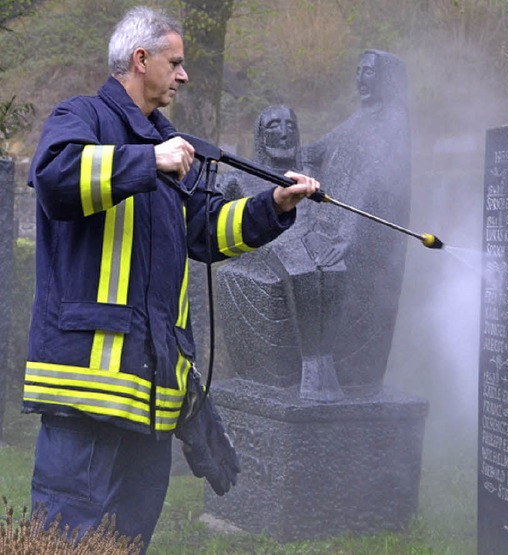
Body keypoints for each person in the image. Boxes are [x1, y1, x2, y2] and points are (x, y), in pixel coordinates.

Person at [22, 6, 319, 550]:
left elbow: (206, 233)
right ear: (141, 60)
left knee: (126, 542)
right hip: (88, 394)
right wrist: (147, 159)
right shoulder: (84, 115)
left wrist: (275, 204)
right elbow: (53, 176)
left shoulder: (165, 147)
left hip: (152, 398)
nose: (184, 75)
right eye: (175, 63)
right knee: (62, 542)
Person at [216, 105, 347, 401]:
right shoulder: (242, 178)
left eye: (290, 125)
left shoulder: (309, 175)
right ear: (261, 135)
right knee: (299, 266)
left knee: (334, 268)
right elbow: (215, 213)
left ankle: (325, 360)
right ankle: (314, 364)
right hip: (268, 243)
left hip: (305, 236)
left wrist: (334, 240)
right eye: (274, 126)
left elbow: (323, 217)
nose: (284, 133)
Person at [304, 49, 412, 391]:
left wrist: (349, 233)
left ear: (386, 78)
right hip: (332, 229)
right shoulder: (362, 117)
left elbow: (374, 179)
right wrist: (305, 179)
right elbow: (315, 151)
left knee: (356, 326)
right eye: (358, 71)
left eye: (369, 72)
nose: (361, 78)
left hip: (366, 244)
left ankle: (349, 384)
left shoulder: (393, 119)